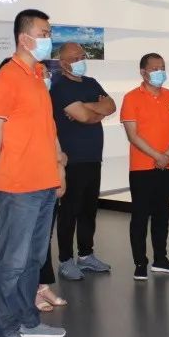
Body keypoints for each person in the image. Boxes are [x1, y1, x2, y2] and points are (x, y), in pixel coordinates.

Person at [0, 10, 67, 337]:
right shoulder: (9, 75)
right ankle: (5, 331)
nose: (49, 38)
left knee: (33, 259)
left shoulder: (37, 75)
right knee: (12, 261)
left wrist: (58, 169)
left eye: (49, 32)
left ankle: (28, 321)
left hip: (44, 182)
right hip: (18, 185)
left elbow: (47, 130)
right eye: (44, 33)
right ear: (24, 38)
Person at [51, 41, 115, 282]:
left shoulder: (91, 82)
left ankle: (86, 255)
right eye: (74, 58)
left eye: (82, 56)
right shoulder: (59, 86)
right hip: (71, 159)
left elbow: (111, 106)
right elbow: (86, 117)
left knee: (89, 210)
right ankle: (65, 260)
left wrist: (87, 107)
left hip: (93, 157)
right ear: (62, 63)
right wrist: (94, 111)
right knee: (69, 211)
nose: (80, 61)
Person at [120, 53, 169, 280]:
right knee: (140, 215)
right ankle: (140, 262)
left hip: (168, 165)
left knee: (162, 215)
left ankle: (161, 259)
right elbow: (133, 135)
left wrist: (167, 155)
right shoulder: (131, 98)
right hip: (142, 167)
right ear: (143, 72)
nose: (160, 72)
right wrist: (157, 155)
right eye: (155, 68)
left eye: (163, 67)